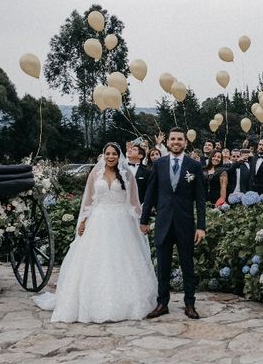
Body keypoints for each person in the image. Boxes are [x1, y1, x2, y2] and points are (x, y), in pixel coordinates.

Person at [33, 143, 157, 322]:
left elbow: (134, 202)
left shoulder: (126, 174)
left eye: (114, 153)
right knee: (94, 259)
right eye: (108, 153)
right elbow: (88, 199)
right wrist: (83, 221)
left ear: (119, 156)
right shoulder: (95, 173)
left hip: (121, 222)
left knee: (120, 260)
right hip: (98, 220)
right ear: (104, 155)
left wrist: (141, 221)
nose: (111, 156)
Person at [141, 128, 206, 320]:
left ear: (185, 142)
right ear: (168, 142)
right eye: (173, 139)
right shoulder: (159, 164)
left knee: (188, 265)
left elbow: (200, 199)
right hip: (163, 222)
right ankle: (162, 303)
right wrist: (144, 220)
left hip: (185, 223)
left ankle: (190, 304)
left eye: (180, 139)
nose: (176, 142)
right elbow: (150, 194)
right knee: (163, 265)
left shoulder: (194, 166)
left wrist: (201, 226)